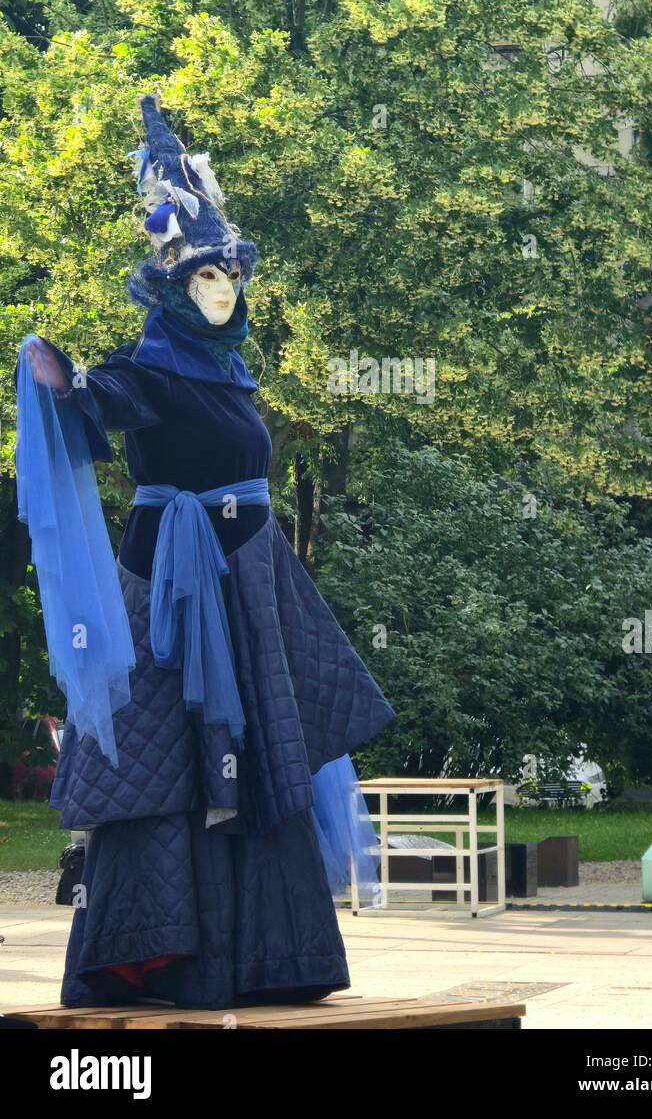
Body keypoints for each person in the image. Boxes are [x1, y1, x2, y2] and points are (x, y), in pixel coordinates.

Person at [16, 96, 394, 1010]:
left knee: (265, 750)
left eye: (230, 278)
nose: (221, 292)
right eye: (205, 280)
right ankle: (161, 954)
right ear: (174, 290)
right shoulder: (147, 370)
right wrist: (58, 379)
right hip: (174, 585)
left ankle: (275, 959)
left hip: (251, 575)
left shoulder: (233, 376)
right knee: (166, 756)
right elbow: (99, 398)